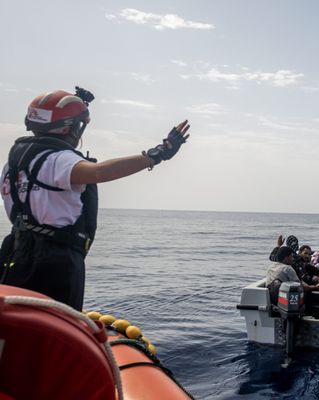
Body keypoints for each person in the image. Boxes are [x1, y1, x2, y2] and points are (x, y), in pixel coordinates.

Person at [0, 87, 190, 310]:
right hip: (52, 262)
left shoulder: (13, 165)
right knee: (57, 324)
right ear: (70, 127)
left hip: (16, 251)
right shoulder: (58, 160)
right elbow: (98, 172)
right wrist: (158, 153)